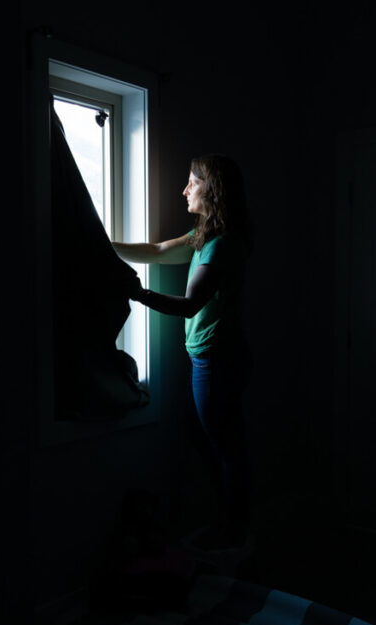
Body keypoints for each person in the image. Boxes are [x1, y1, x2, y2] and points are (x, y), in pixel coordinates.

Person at [112, 154, 252, 551]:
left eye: (192, 182)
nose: (184, 189)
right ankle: (231, 527)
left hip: (216, 362)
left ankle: (232, 533)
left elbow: (191, 305)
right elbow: (156, 250)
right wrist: (102, 244)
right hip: (215, 358)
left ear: (212, 189)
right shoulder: (205, 236)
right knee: (218, 444)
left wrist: (138, 294)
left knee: (225, 450)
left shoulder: (221, 245)